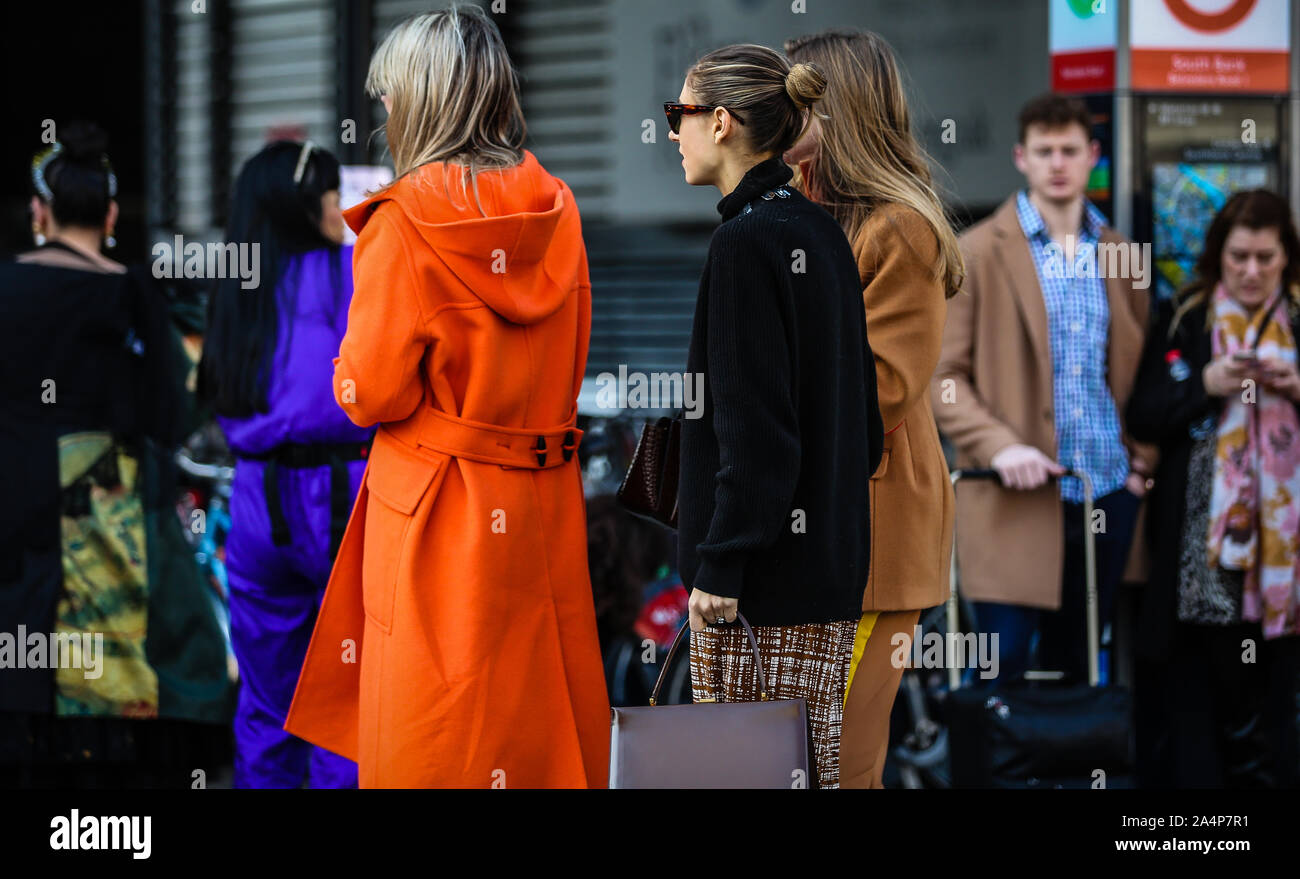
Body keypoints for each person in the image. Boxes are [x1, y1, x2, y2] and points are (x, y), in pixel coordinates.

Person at [284, 5, 609, 788]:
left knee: (434, 732)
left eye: (392, 93)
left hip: (436, 513)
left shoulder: (403, 223)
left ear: (428, 99)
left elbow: (368, 392)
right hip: (544, 507)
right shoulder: (556, 209)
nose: (385, 111)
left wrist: (341, 366)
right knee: (536, 732)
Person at [668, 43, 884, 789]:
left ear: (721, 122)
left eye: (681, 113)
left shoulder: (743, 242)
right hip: (824, 577)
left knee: (737, 779)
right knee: (802, 774)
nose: (672, 131)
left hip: (755, 590)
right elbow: (866, 426)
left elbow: (753, 434)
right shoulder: (819, 230)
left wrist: (720, 561)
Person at [0, 122, 231, 786]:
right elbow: (170, 415)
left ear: (39, 213)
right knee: (110, 687)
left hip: (15, 512)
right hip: (109, 519)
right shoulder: (135, 294)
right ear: (108, 215)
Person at [783, 28, 961, 789]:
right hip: (825, 533)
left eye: (791, 105)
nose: (773, 119)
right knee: (801, 761)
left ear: (837, 112)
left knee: (842, 766)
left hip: (875, 538)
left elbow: (879, 390)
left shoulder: (899, 227)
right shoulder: (799, 211)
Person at [931, 93, 1155, 687]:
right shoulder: (976, 252)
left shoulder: (1123, 255)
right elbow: (941, 378)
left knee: (1081, 674)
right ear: (1021, 157)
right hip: (1011, 497)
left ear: (1093, 157)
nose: (1058, 163)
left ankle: (1078, 784)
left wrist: (1142, 467)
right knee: (999, 672)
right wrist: (1000, 447)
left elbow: (1143, 368)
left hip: (1105, 493)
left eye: (1070, 150)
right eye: (1044, 150)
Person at [198, 140, 367, 788]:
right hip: (341, 497)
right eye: (331, 193)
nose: (341, 205)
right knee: (344, 703)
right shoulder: (350, 269)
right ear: (306, 206)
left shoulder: (237, 287)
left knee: (267, 702)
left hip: (255, 502)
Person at [1127, 189, 1300, 787]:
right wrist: (1203, 381)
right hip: (1201, 553)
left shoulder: (1296, 321)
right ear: (1218, 256)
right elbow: (1143, 414)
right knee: (1199, 703)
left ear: (1286, 259)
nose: (1252, 272)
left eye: (1266, 258)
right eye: (1239, 257)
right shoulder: (1186, 318)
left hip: (1288, 562)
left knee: (1277, 705)